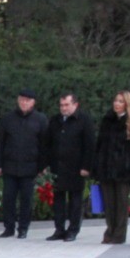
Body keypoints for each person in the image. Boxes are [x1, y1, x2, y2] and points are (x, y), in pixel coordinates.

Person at [0, 88, 47, 238]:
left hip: (30, 167)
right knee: (8, 198)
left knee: (26, 199)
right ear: (18, 100)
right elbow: (0, 143)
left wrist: (42, 166)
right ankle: (9, 227)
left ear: (33, 102)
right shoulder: (8, 119)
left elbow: (44, 145)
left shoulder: (40, 120)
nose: (24, 103)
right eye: (22, 99)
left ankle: (23, 228)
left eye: (27, 100)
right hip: (10, 166)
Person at [42, 92, 96, 242]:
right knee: (58, 200)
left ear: (75, 105)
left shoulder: (84, 120)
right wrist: (45, 165)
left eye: (67, 105)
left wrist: (86, 166)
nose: (63, 108)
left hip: (76, 168)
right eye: (61, 105)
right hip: (57, 167)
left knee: (75, 201)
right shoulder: (55, 121)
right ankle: (59, 229)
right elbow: (47, 144)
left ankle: (73, 230)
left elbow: (90, 145)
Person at [93, 91, 130, 244]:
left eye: (120, 101)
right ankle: (110, 230)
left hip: (124, 168)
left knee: (121, 203)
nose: (116, 103)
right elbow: (100, 144)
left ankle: (119, 234)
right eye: (115, 100)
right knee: (109, 203)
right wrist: (97, 166)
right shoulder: (108, 120)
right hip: (107, 167)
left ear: (127, 104)